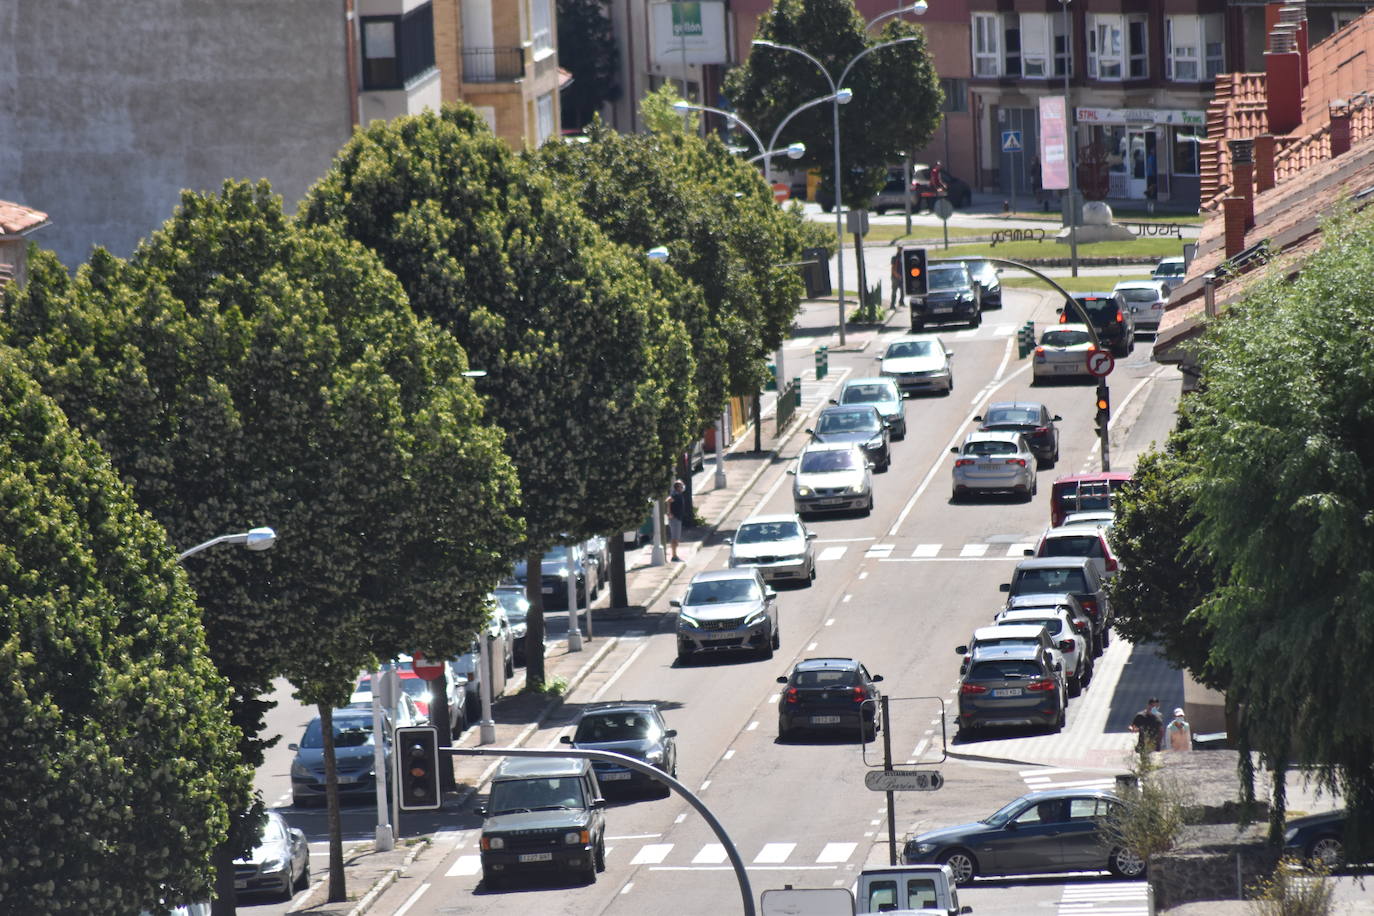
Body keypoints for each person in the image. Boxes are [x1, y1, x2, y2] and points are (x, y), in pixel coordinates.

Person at [667, 479, 687, 562]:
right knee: (675, 538)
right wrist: (669, 512)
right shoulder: (675, 494)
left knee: (676, 538)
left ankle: (675, 555)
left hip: (678, 518)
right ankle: (674, 556)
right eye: (681, 486)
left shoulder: (678, 494)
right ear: (678, 487)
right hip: (675, 519)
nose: (683, 487)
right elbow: (668, 500)